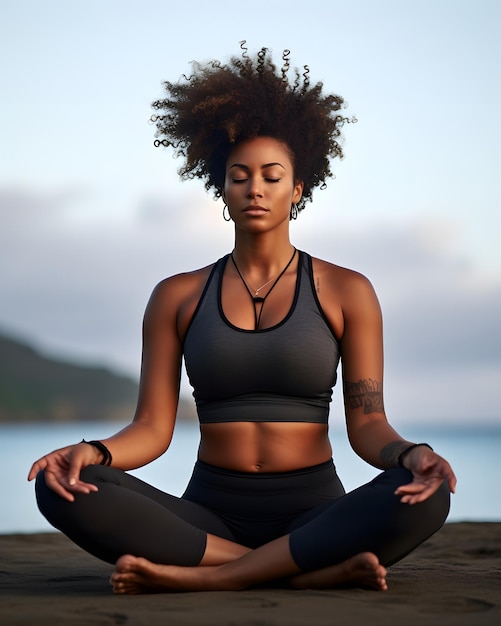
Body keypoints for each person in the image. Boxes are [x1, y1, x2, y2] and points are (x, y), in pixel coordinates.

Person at [29, 44, 456, 594]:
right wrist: (94, 451)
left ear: (298, 189)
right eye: (240, 176)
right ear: (222, 190)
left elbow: (368, 424)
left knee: (428, 491)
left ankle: (212, 578)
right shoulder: (177, 296)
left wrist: (413, 453)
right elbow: (153, 429)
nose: (255, 187)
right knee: (62, 482)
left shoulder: (348, 290)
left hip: (314, 514)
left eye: (272, 176)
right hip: (209, 518)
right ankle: (299, 573)